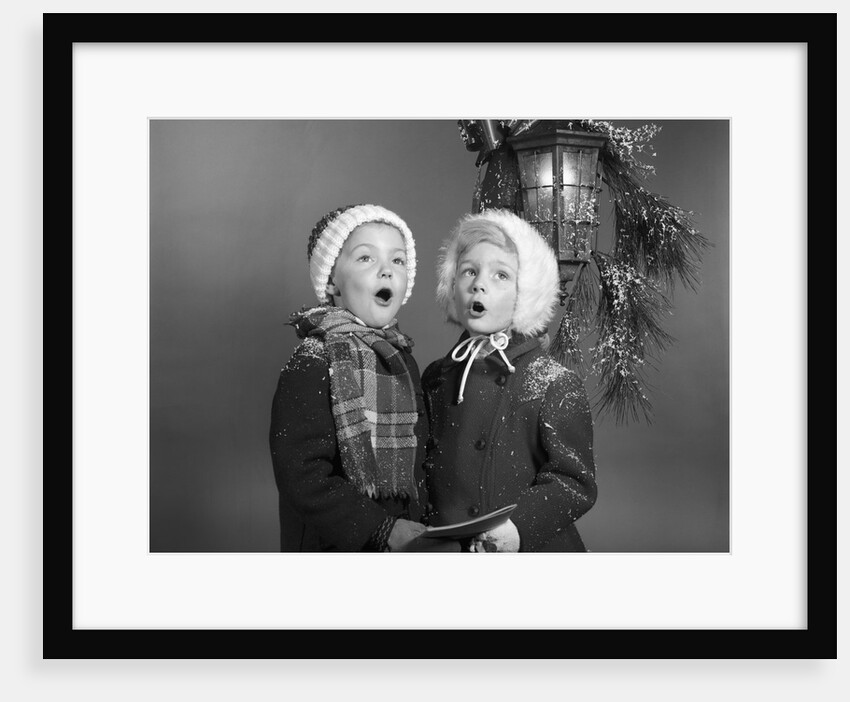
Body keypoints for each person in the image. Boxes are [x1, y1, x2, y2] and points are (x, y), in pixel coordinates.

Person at [269, 203, 456, 552]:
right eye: (366, 258)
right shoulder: (313, 361)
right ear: (331, 281)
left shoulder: (399, 359)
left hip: (402, 542)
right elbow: (302, 477)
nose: (386, 271)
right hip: (339, 546)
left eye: (398, 260)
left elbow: (417, 459)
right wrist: (382, 528)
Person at [422, 208, 598, 552]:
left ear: (526, 294)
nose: (479, 283)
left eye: (500, 275)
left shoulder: (553, 383)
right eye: (468, 271)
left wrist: (516, 530)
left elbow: (574, 481)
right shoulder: (436, 378)